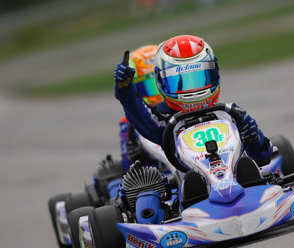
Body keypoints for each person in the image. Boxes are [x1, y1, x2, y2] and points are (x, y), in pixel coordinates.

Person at [113, 34, 273, 165]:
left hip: (242, 182)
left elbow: (264, 155)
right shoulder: (167, 125)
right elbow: (140, 117)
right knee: (148, 196)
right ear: (162, 81)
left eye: (198, 79)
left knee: (251, 166)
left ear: (214, 73)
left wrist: (254, 138)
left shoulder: (231, 113)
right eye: (180, 82)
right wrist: (126, 91)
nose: (192, 90)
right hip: (195, 194)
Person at [118, 44, 172, 173]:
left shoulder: (183, 110)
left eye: (160, 85)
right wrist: (133, 154)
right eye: (151, 87)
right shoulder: (129, 122)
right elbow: (127, 166)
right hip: (158, 178)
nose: (157, 94)